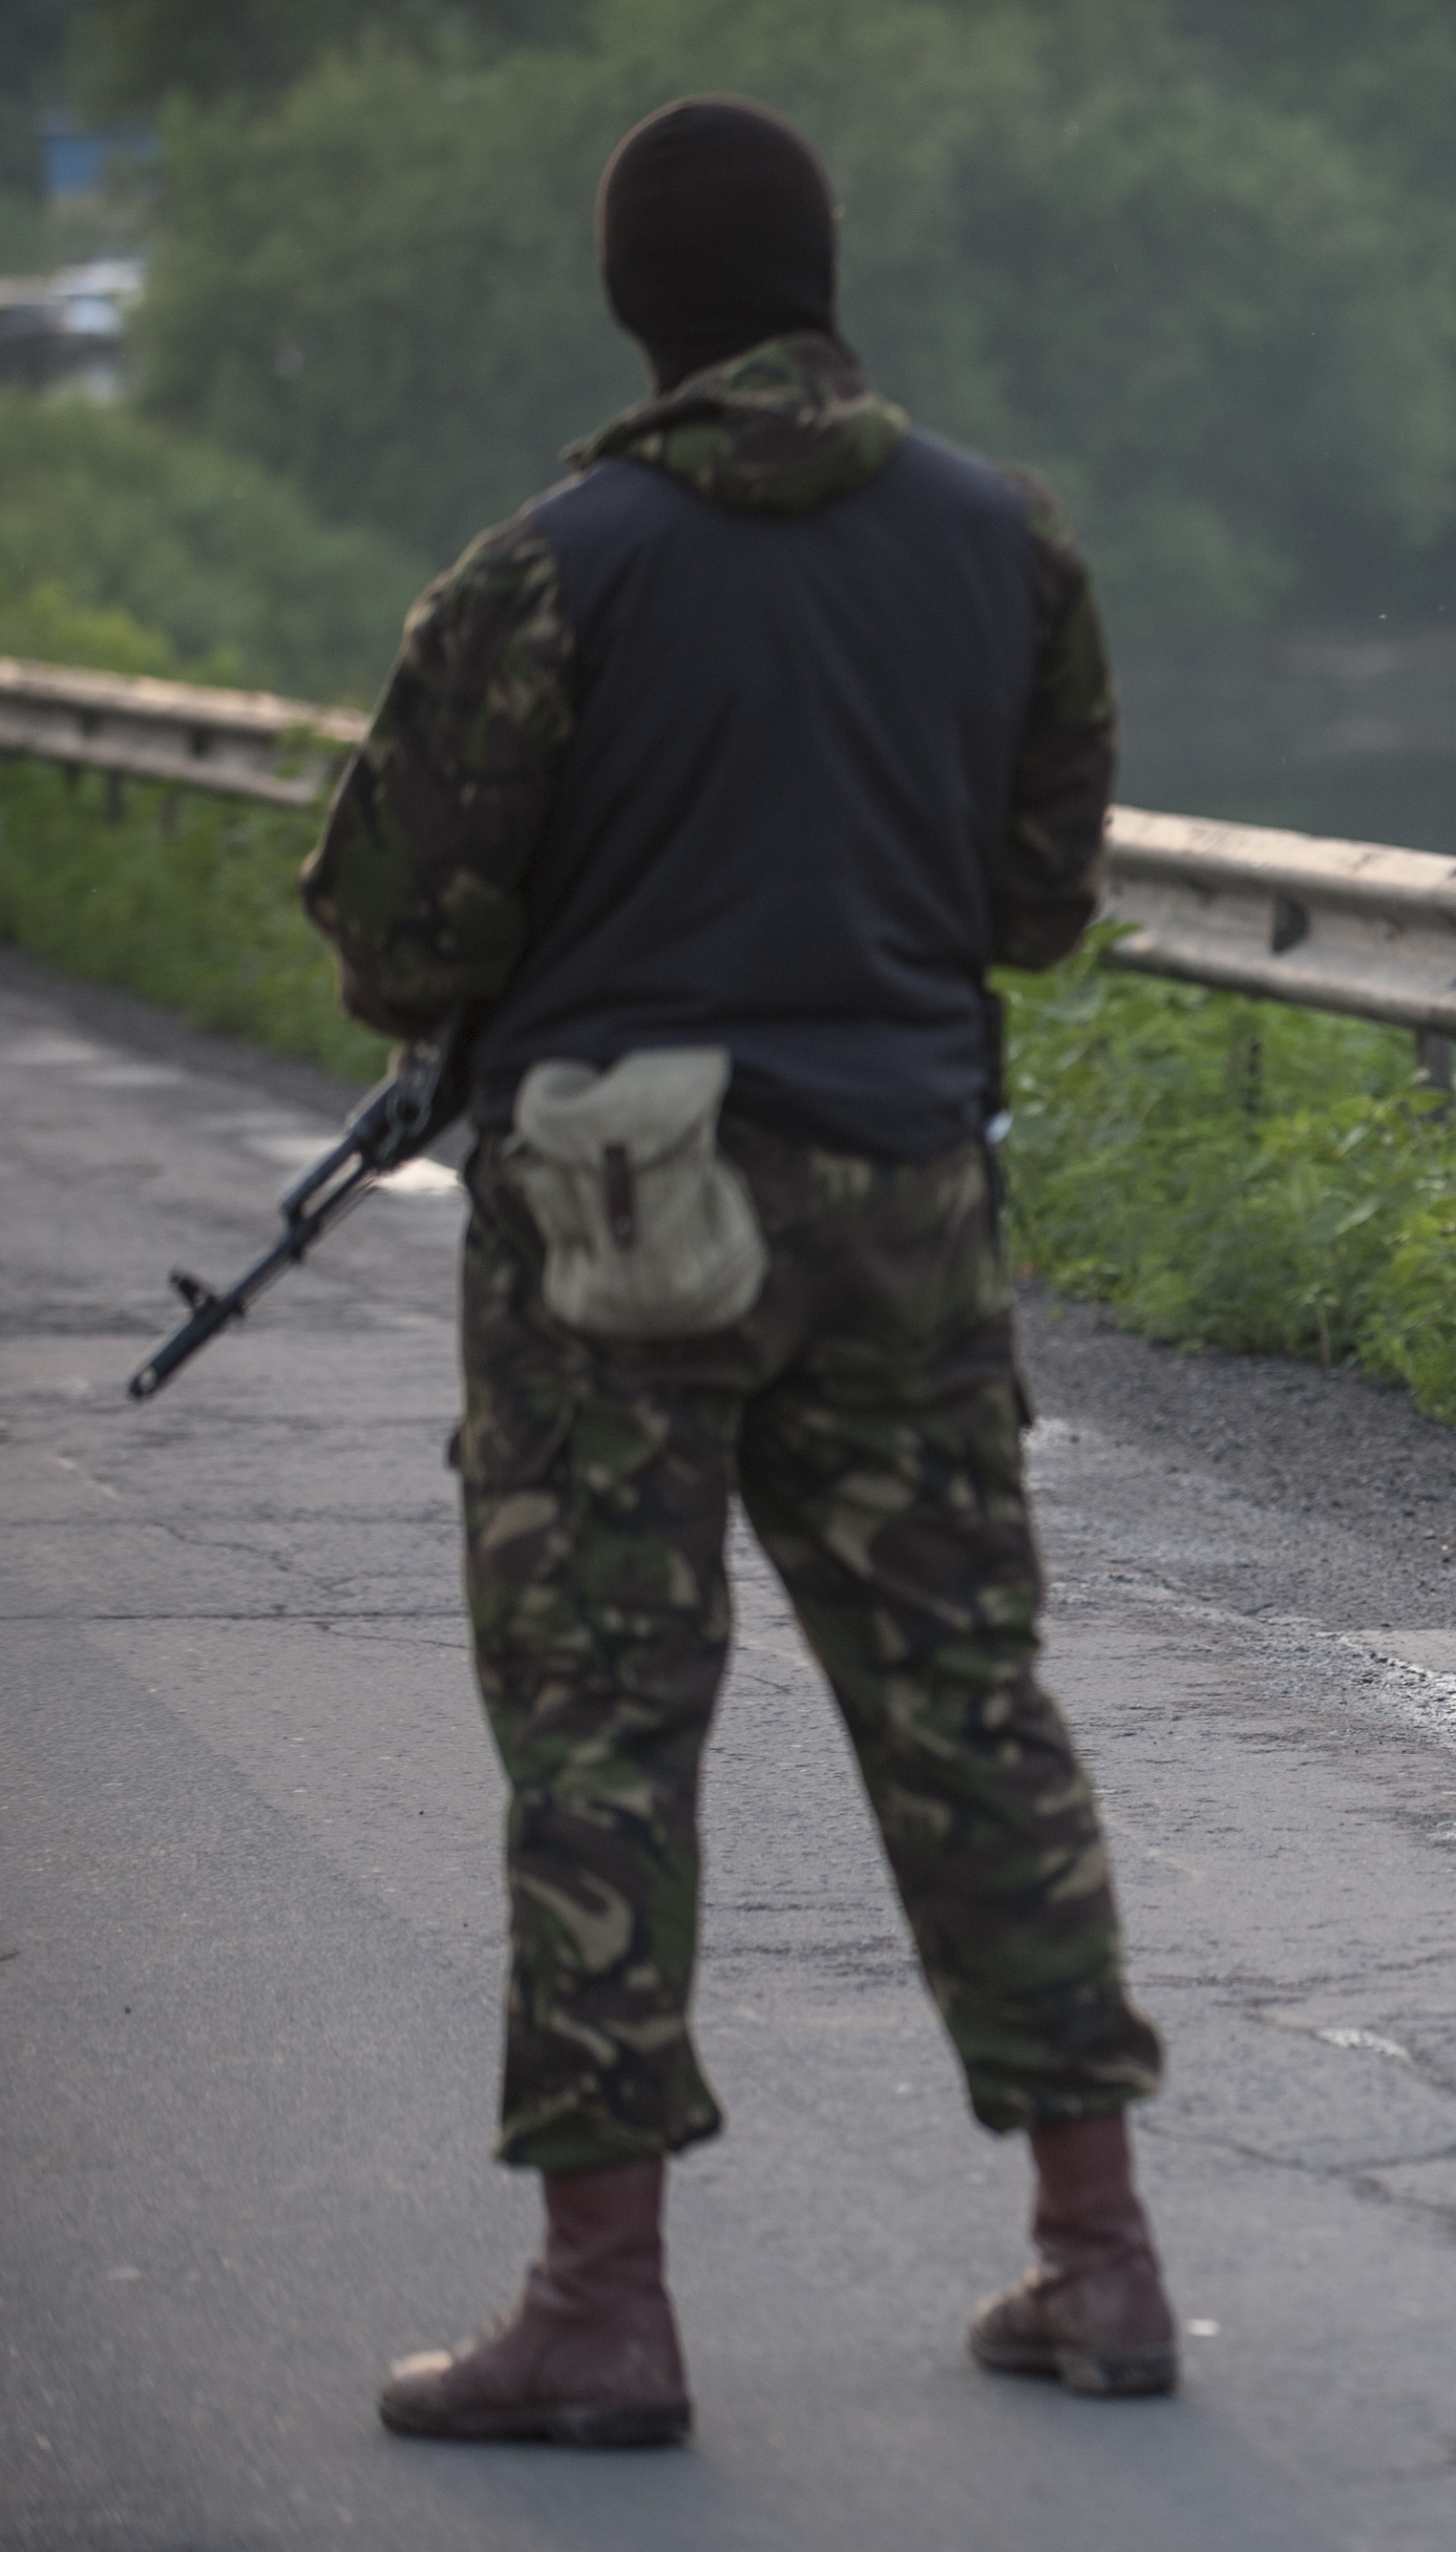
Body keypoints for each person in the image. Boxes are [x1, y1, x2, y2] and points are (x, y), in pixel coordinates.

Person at [301, 97, 1174, 2444]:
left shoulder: (544, 570)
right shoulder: (1007, 543)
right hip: (906, 1197)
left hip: (619, 1222)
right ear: (819, 280)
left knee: (604, 1727)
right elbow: (1037, 902)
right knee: (967, 1706)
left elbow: (397, 942)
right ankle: (1098, 2256)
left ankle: (603, 2305)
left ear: (637, 306)